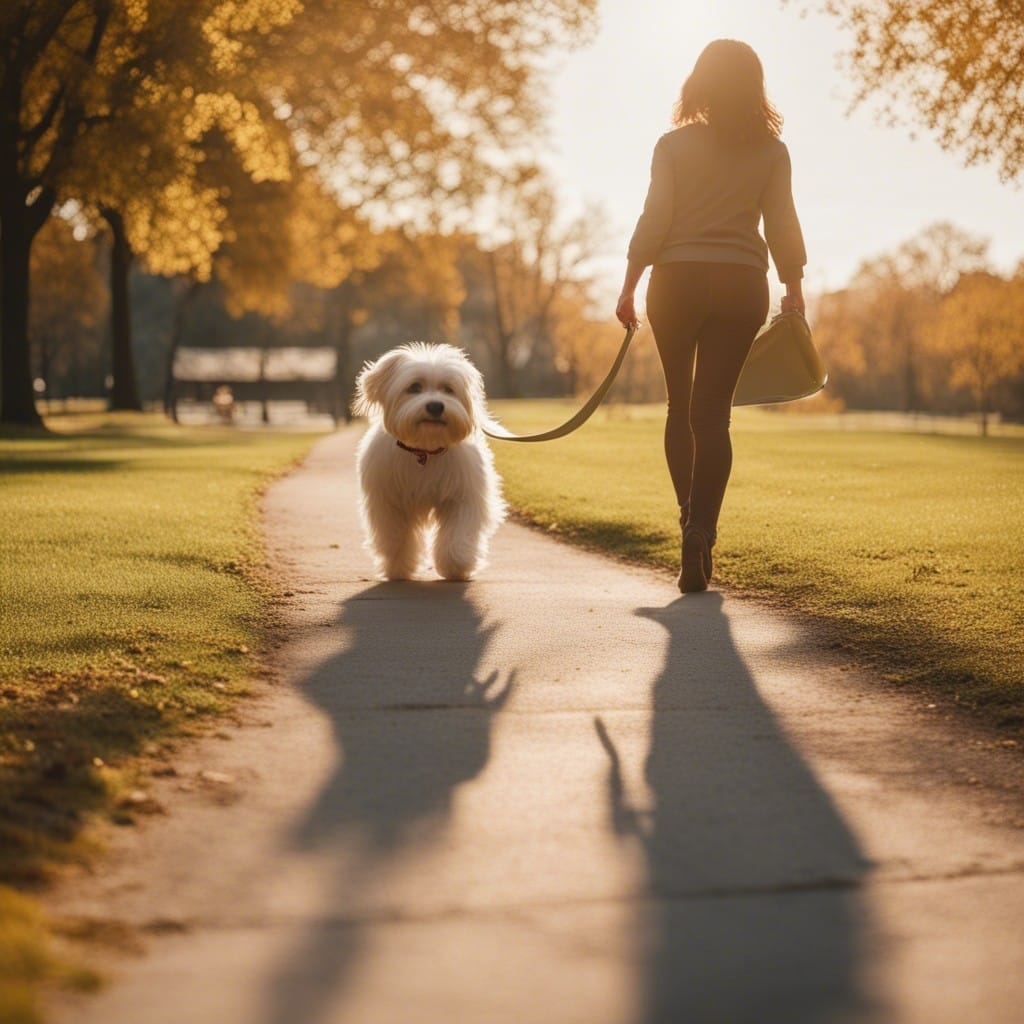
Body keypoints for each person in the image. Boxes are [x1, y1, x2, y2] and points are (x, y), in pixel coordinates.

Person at [616, 38, 806, 594]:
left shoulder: (672, 145)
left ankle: (687, 524)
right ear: (755, 85)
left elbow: (656, 217)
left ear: (698, 81)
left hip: (675, 282)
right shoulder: (773, 151)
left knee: (681, 407)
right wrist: (792, 288)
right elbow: (783, 224)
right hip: (741, 283)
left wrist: (629, 284)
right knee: (713, 415)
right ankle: (702, 529)